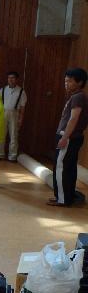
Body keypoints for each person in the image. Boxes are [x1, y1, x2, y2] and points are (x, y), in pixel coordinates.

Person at [49, 68, 88, 207]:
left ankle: (63, 199)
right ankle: (67, 196)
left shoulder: (78, 97)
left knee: (61, 167)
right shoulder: (76, 96)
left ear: (80, 82)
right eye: (65, 81)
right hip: (71, 137)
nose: (66, 84)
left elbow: (73, 119)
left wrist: (65, 137)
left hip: (69, 138)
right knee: (68, 167)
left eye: (70, 81)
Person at [0, 71, 27, 162]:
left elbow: (22, 107)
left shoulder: (21, 91)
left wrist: (21, 119)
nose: (10, 79)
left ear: (16, 79)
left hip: (15, 113)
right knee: (1, 134)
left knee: (13, 135)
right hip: (3, 113)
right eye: (9, 78)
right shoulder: (2, 90)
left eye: (13, 78)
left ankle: (12, 156)